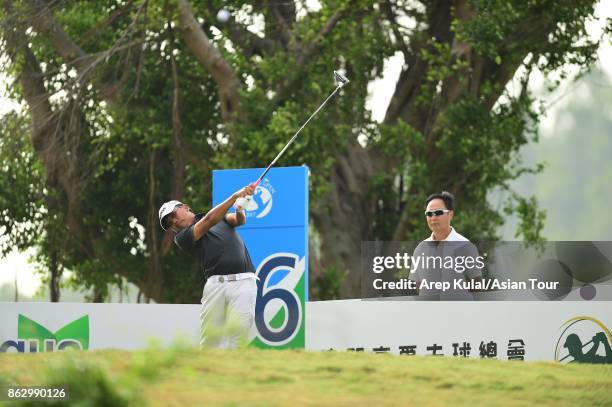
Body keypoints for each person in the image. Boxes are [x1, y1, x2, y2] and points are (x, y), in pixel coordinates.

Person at [158, 184, 257, 348]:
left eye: (173, 215)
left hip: (244, 282)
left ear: (184, 207)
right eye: (169, 223)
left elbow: (239, 220)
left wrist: (240, 207)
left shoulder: (221, 218)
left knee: (238, 340)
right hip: (215, 286)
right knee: (209, 342)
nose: (173, 222)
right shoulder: (182, 237)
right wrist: (235, 196)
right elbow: (209, 220)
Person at [411, 191, 483, 299]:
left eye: (438, 212)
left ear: (450, 214)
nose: (433, 218)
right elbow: (419, 285)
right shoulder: (420, 249)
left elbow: (476, 286)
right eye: (429, 214)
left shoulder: (466, 247)